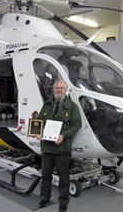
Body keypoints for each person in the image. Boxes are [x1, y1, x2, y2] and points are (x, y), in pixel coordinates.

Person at [35, 79, 81, 212]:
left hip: (62, 149)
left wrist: (64, 135)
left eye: (61, 88)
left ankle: (63, 202)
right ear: (53, 89)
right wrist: (37, 133)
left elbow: (76, 124)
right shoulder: (47, 104)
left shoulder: (72, 106)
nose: (59, 90)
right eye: (57, 88)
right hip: (48, 148)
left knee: (64, 178)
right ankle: (44, 199)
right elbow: (39, 121)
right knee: (46, 176)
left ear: (65, 90)